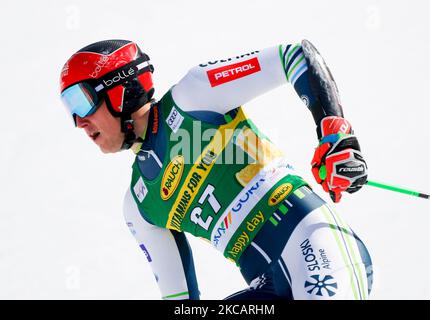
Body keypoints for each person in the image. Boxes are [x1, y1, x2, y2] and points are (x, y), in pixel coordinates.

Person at [59, 39, 373, 300]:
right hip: (268, 285)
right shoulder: (138, 206)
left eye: (81, 100)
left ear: (119, 88)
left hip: (316, 246)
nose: (78, 121)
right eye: (69, 108)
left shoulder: (193, 97)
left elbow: (294, 56)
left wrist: (336, 136)